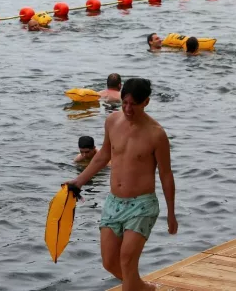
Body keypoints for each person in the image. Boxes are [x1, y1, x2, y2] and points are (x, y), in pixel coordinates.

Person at [67, 78, 177, 291]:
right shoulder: (112, 121)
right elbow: (103, 156)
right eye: (124, 102)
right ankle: (145, 289)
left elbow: (166, 174)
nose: (127, 108)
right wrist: (78, 181)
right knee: (109, 262)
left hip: (142, 205)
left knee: (127, 261)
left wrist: (171, 213)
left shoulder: (156, 134)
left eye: (133, 104)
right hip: (113, 202)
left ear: (146, 102)